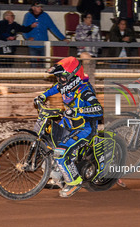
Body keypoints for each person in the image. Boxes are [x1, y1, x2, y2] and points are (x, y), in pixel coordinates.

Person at [34, 56, 103, 198]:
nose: (60, 81)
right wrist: (42, 96)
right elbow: (53, 89)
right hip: (69, 123)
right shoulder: (63, 86)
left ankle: (74, 182)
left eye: (62, 77)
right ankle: (59, 173)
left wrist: (79, 111)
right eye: (58, 77)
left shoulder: (85, 91)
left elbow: (98, 109)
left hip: (85, 129)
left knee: (60, 152)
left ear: (74, 76)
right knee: (49, 141)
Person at [22, 0, 69, 68]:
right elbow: (24, 28)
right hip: (32, 44)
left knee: (44, 63)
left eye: (40, 7)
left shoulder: (45, 16)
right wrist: (27, 38)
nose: (40, 8)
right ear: (33, 8)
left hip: (43, 43)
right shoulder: (28, 15)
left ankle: (43, 77)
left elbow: (53, 27)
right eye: (38, 7)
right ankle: (33, 77)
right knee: (33, 63)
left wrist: (63, 38)